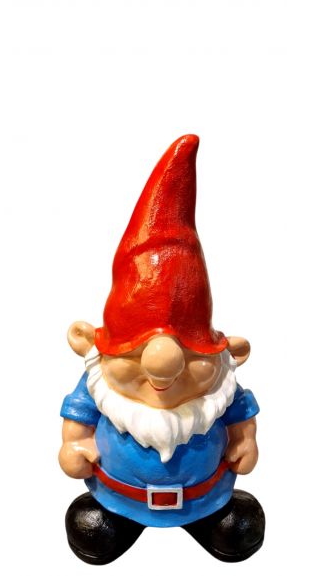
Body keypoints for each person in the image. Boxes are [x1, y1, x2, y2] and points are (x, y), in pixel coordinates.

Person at [59, 135, 265, 564]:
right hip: (119, 497)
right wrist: (75, 446)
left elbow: (241, 417)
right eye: (133, 356)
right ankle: (115, 521)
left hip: (205, 497)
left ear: (231, 353)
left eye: (192, 358)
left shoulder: (221, 388)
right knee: (91, 528)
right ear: (87, 342)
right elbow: (78, 420)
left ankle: (212, 522)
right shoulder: (98, 385)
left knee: (239, 528)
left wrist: (246, 440)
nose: (163, 373)